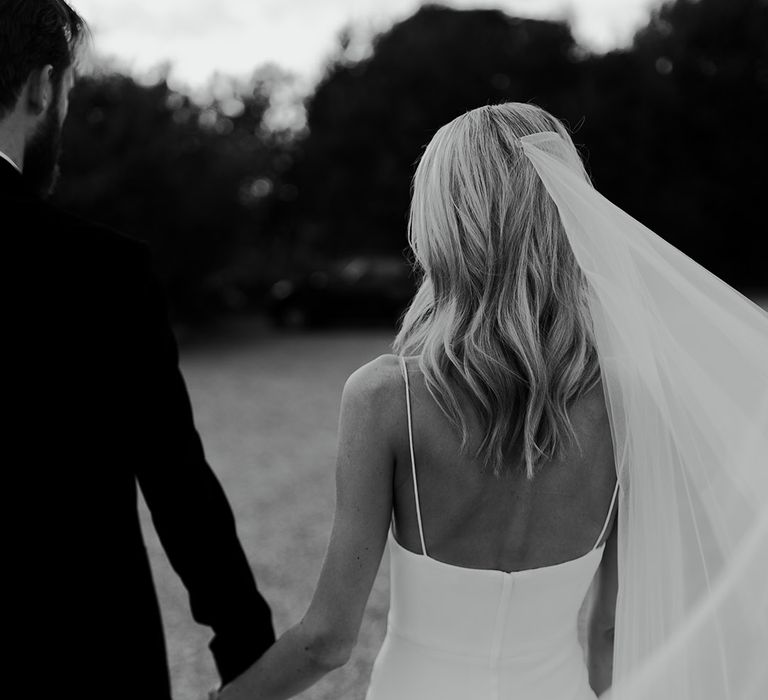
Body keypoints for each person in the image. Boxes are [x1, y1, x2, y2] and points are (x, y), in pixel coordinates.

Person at [215, 101, 768, 700]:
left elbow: (328, 640)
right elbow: (609, 629)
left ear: (444, 223)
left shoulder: (385, 397)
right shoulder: (630, 399)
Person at [1, 2, 275, 697]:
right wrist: (250, 658)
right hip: (87, 662)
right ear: (41, 87)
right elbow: (179, 488)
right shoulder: (100, 271)